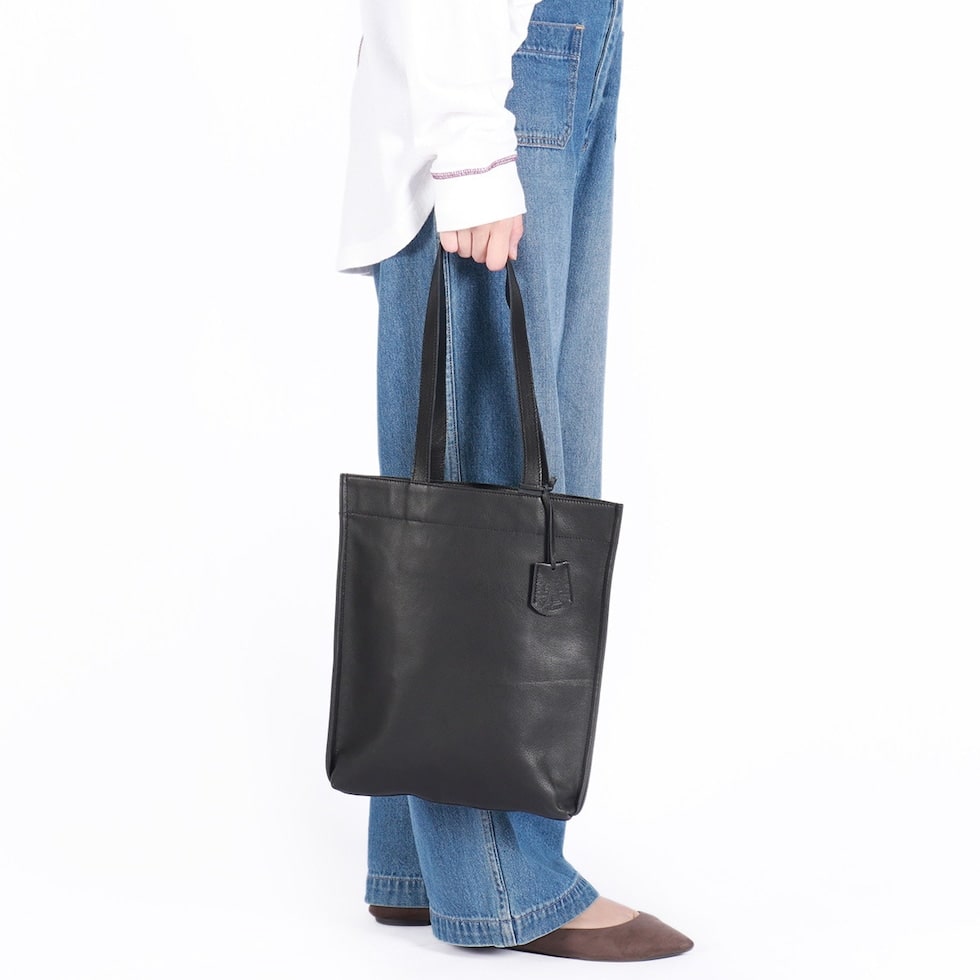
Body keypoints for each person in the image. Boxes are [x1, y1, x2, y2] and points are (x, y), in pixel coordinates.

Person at [335, 0, 693, 962]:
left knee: (526, 482)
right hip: (501, 64)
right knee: (495, 495)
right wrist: (469, 143)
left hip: (557, 48)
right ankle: (498, 880)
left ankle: (420, 862)